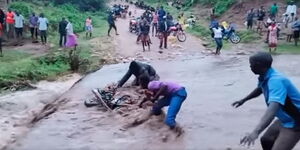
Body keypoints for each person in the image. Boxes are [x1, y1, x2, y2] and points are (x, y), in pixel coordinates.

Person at [232, 52, 300, 150]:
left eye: (251, 64)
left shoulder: (275, 81)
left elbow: (272, 109)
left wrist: (256, 132)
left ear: (258, 65)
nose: (250, 66)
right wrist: (243, 100)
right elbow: (260, 89)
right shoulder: (266, 76)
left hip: (296, 121)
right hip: (287, 117)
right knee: (266, 140)